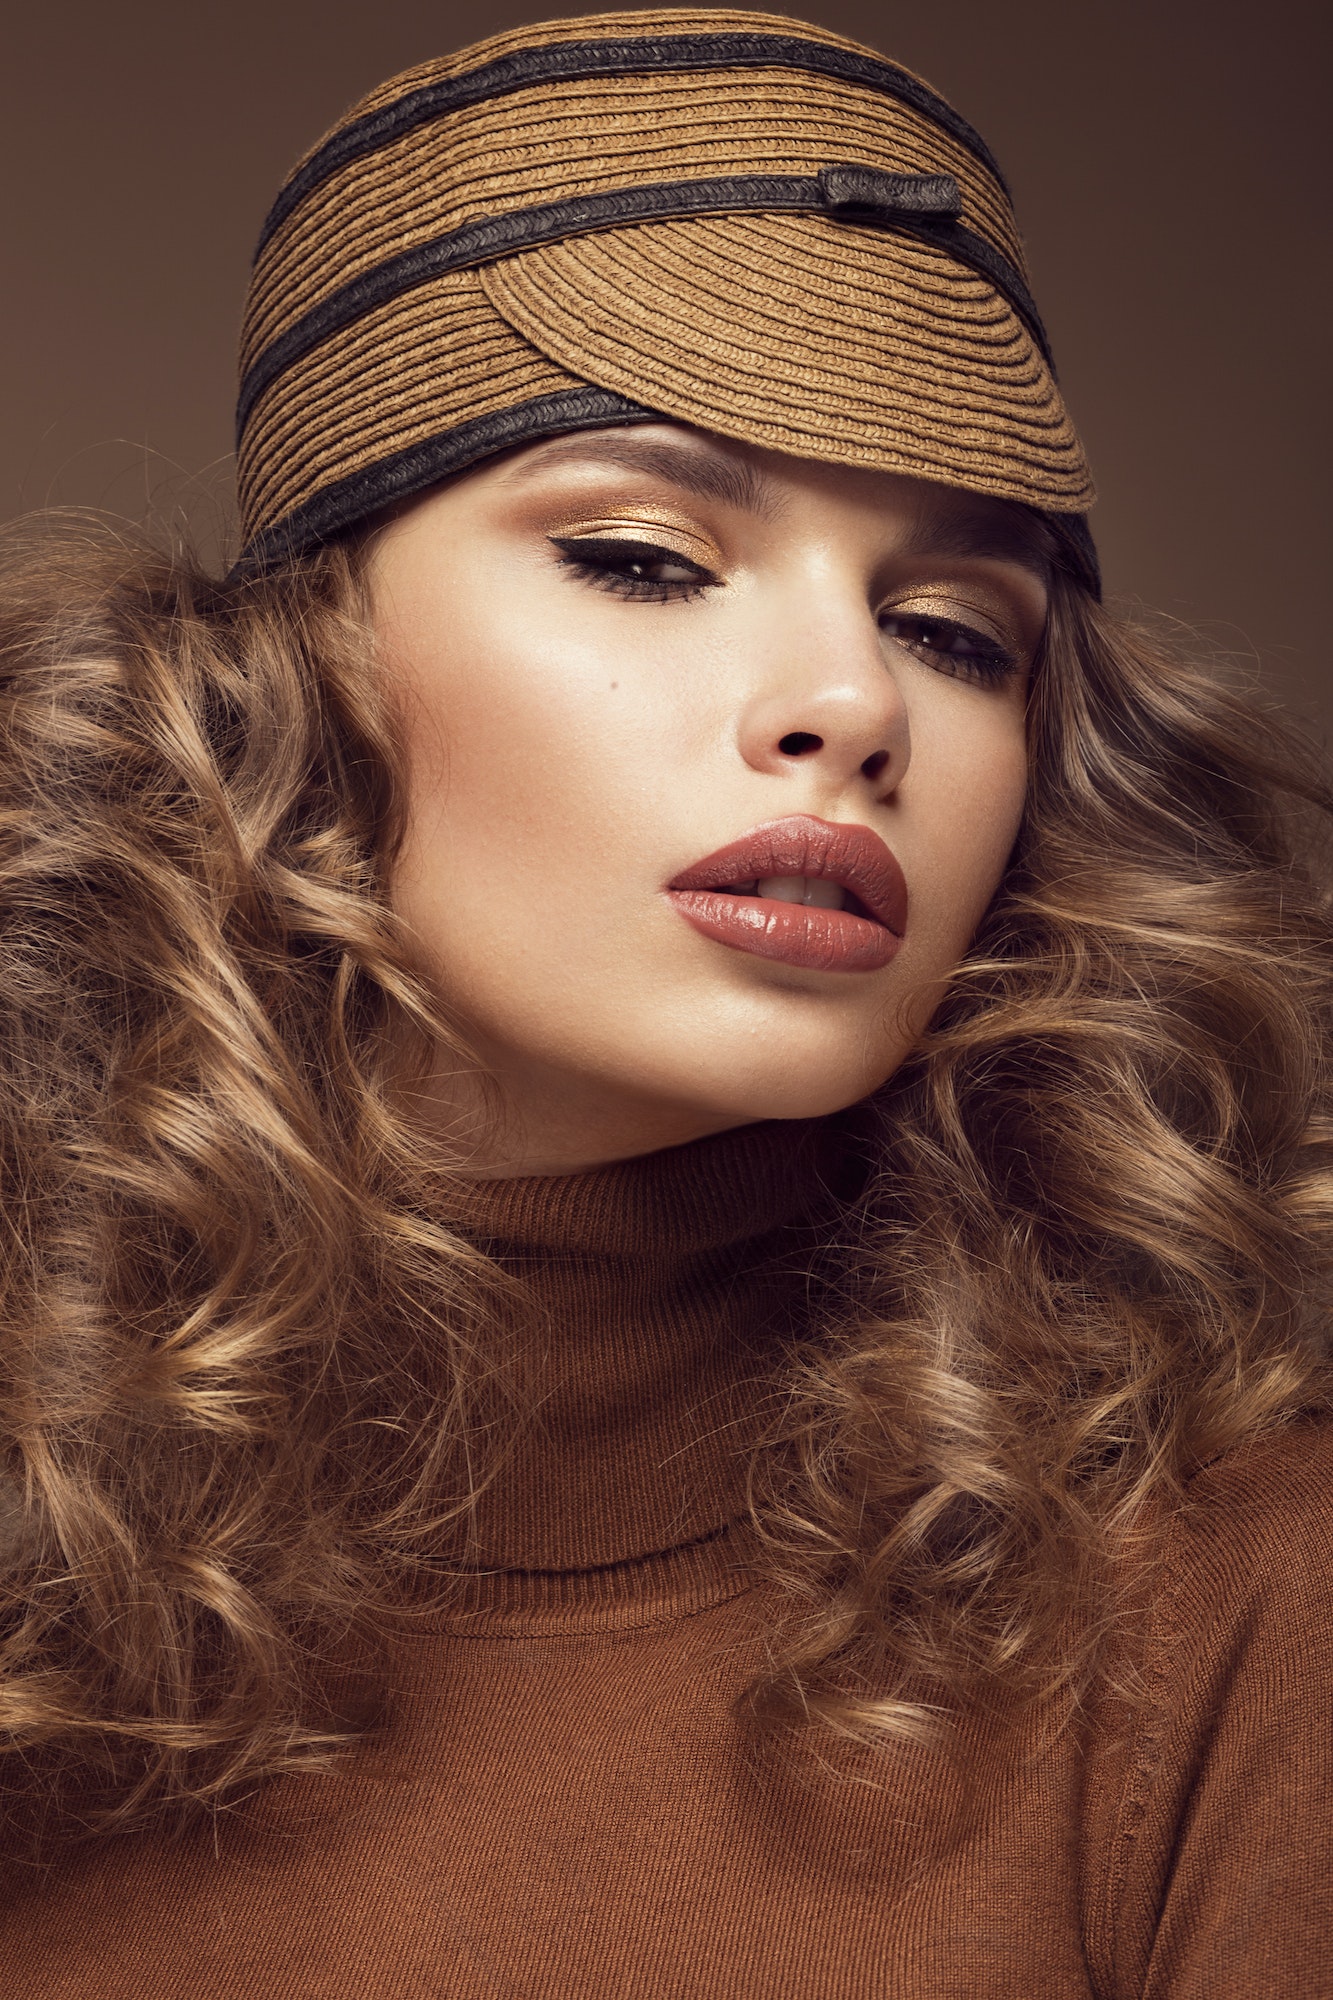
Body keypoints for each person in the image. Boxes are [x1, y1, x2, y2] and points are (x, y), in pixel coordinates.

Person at [1, 9, 1329, 1995]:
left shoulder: (1239, 1595)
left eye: (953, 630)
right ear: (283, 673)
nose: (853, 704)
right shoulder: (46, 1566)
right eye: (643, 556)